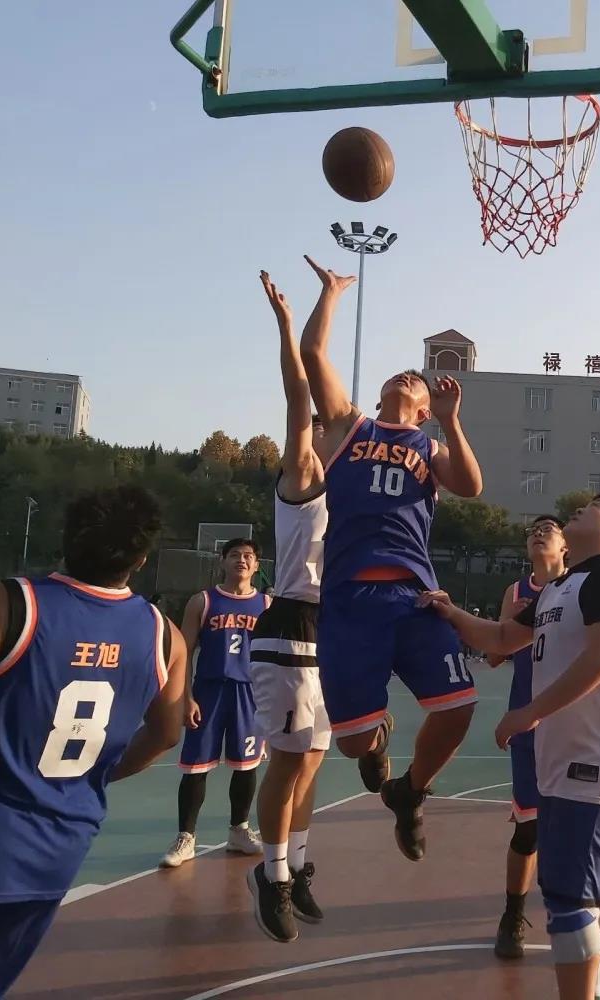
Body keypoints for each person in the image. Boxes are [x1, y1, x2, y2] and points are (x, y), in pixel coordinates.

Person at [424, 493, 600, 1000]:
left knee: (568, 898)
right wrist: (450, 612)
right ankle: (599, 986)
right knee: (571, 894)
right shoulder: (556, 590)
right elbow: (503, 637)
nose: (577, 510)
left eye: (593, 508)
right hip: (562, 764)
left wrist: (530, 712)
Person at [298, 257, 482, 863]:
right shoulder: (350, 427)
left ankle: (411, 791)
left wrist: (453, 425)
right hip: (349, 600)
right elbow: (313, 356)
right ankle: (376, 745)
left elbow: (472, 485)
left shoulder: (429, 445)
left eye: (417, 381)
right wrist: (330, 294)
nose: (407, 378)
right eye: (399, 375)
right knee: (351, 746)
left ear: (426, 406)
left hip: (412, 596)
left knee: (459, 708)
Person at [0, 486, 187, 998]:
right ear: (140, 559)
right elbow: (165, 734)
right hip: (61, 845)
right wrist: (95, 770)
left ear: (68, 538)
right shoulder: (164, 635)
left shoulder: (14, 601)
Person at [487, 514, 600, 966]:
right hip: (532, 729)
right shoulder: (518, 593)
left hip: (577, 724)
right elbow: (496, 652)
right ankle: (512, 915)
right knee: (529, 829)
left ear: (565, 546)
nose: (537, 532)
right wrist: (450, 615)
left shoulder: (587, 585)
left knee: (586, 828)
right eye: (531, 529)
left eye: (547, 528)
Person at [245, 271, 333, 944]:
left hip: (327, 636)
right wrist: (289, 321)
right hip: (288, 628)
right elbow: (299, 392)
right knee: (285, 759)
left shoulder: (354, 488)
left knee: (311, 760)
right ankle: (270, 874)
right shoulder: (303, 474)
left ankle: (297, 865)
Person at [159, 538, 269, 868]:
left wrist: (270, 702)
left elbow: (271, 656)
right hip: (208, 692)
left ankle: (239, 829)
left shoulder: (267, 604)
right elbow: (183, 652)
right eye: (234, 555)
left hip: (249, 694)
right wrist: (185, 697)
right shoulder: (203, 601)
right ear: (222, 561)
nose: (242, 560)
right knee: (196, 767)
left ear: (257, 566)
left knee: (246, 764)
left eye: (249, 556)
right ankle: (185, 837)